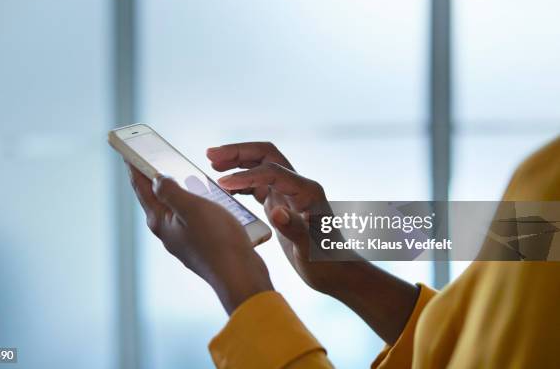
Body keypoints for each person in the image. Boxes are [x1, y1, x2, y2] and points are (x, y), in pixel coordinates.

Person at [126, 136, 560, 368]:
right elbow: (493, 346)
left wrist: (240, 286)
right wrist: (344, 269)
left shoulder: (548, 177)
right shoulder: (546, 172)